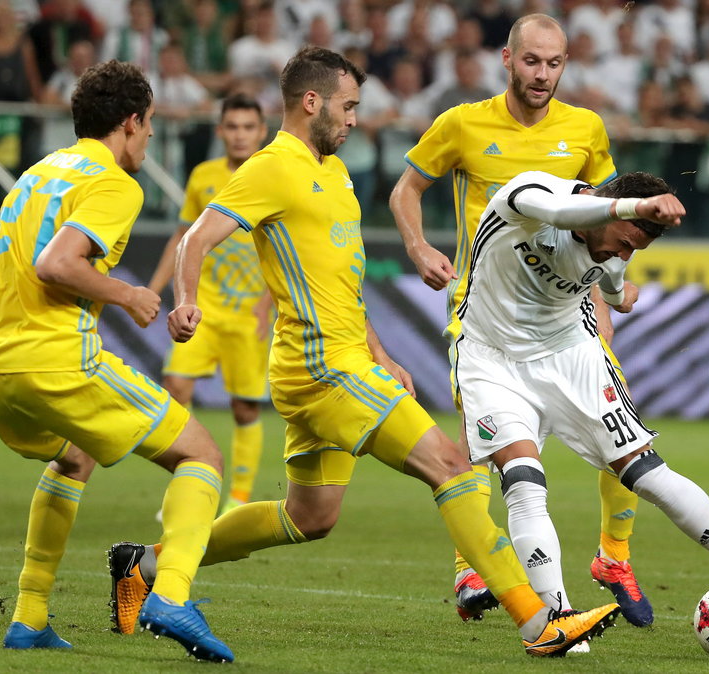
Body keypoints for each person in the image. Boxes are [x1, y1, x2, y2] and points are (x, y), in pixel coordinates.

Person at [108, 46, 619, 657]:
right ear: (312, 102)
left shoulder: (335, 173)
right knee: (452, 466)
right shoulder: (273, 167)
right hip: (322, 368)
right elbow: (198, 235)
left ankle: (144, 563)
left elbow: (339, 284)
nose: (354, 119)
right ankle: (540, 623)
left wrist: (379, 351)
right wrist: (185, 299)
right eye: (348, 106)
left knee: (309, 517)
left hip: (337, 362)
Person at [456, 169, 709, 646]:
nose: (624, 253)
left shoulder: (614, 249)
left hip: (572, 355)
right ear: (610, 207)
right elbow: (563, 213)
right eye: (624, 241)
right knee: (523, 480)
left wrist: (623, 296)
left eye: (635, 249)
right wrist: (636, 209)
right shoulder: (530, 196)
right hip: (491, 359)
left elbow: (616, 285)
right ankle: (555, 619)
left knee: (645, 471)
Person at [388, 12, 654, 630]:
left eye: (554, 63)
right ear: (506, 60)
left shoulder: (585, 128)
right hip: (482, 313)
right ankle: (472, 566)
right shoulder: (462, 123)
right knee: (483, 441)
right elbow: (406, 189)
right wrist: (419, 246)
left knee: (627, 427)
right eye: (531, 61)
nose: (542, 74)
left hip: (567, 308)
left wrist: (607, 294)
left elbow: (599, 213)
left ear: (566, 64)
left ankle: (614, 558)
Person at [0, 60, 233, 662]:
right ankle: (170, 593)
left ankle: (29, 616)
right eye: (147, 125)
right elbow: (56, 264)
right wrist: (130, 295)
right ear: (130, 121)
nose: (149, 137)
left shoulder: (35, 176)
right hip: (57, 360)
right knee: (201, 454)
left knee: (73, 456)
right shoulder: (117, 185)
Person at [146, 94, 272, 517]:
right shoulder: (204, 176)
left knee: (244, 407)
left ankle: (237, 498)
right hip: (203, 306)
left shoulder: (274, 174)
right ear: (220, 131)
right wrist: (154, 289)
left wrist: (268, 302)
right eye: (232, 127)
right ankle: (185, 489)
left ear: (261, 132)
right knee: (175, 389)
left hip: (250, 311)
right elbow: (182, 238)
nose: (239, 135)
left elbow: (293, 247)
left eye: (247, 127)